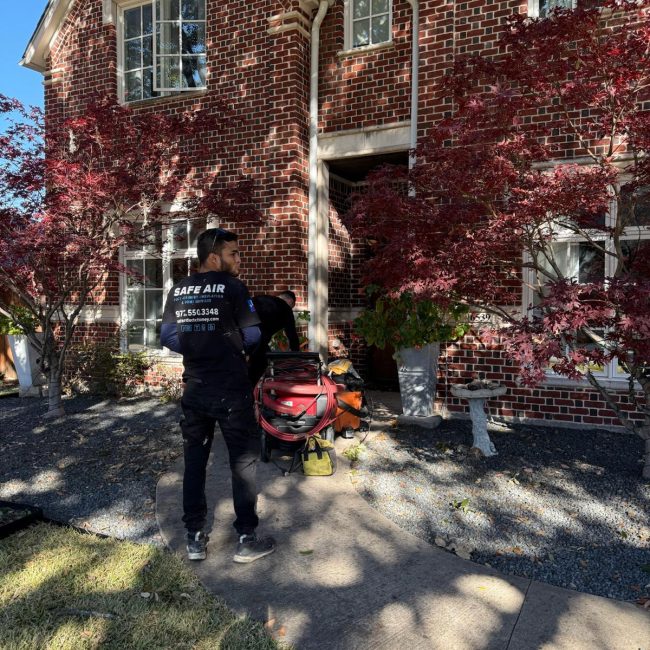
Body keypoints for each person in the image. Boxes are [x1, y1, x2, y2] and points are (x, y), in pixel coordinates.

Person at [160, 227, 276, 564]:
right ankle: (246, 538)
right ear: (214, 257)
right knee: (243, 463)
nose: (239, 259)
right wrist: (224, 347)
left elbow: (168, 337)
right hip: (231, 389)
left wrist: (199, 348)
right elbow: (253, 336)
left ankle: (194, 539)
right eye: (234, 253)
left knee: (195, 462)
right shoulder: (233, 288)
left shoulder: (178, 290)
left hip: (195, 388)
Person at [248, 290, 300, 385]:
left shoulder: (259, 299)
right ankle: (253, 389)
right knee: (260, 363)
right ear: (291, 302)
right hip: (258, 335)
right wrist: (297, 357)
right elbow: (292, 336)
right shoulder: (286, 309)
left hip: (245, 329)